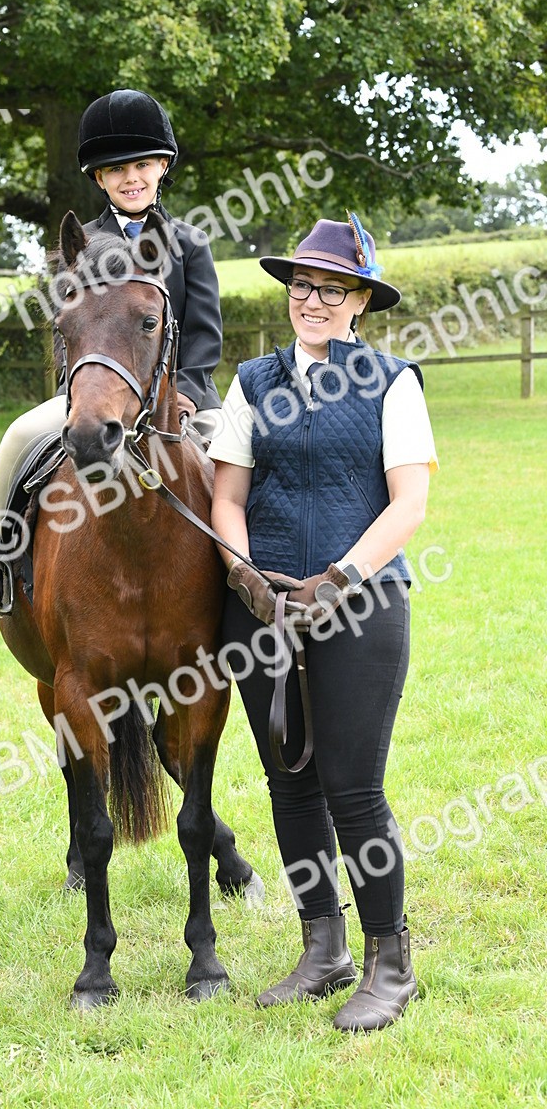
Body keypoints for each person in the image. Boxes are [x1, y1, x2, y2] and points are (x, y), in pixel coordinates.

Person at [209, 214, 438, 1032]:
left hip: (362, 605)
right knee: (290, 783)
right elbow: (226, 496)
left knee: (353, 788)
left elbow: (409, 504)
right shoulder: (251, 382)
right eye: (302, 286)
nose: (312, 300)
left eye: (332, 290)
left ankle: (390, 964)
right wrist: (243, 573)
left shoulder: (392, 383)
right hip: (261, 608)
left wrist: (339, 579)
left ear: (360, 302)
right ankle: (323, 948)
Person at [0, 88, 223, 614]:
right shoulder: (78, 243)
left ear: (163, 166)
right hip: (95, 392)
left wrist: (188, 395)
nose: (131, 178)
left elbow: (204, 334)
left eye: (142, 165)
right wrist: (79, 393)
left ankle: (254, 571)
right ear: (99, 179)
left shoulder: (189, 243)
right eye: (116, 170)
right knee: (19, 436)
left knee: (247, 451)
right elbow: (68, 335)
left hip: (180, 399)